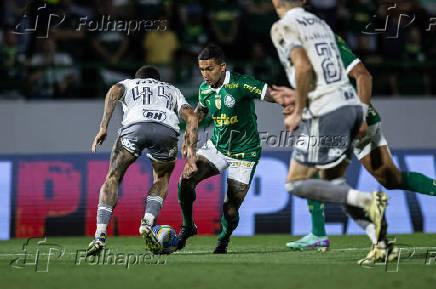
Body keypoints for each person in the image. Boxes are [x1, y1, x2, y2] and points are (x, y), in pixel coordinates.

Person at [272, 34, 436, 262]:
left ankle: (331, 231)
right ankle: (375, 241)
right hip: (350, 119)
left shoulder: (324, 44)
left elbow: (362, 74)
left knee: (312, 178)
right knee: (391, 179)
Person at [270, 0, 390, 264]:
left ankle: (367, 199)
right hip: (350, 105)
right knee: (334, 183)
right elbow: (327, 71)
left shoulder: (283, 26)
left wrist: (299, 108)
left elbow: (303, 66)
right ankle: (380, 243)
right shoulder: (321, 24)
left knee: (295, 182)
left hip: (326, 111)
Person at [177, 44, 283, 254]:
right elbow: (199, 114)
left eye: (210, 69)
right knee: (185, 180)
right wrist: (189, 139)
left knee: (231, 207)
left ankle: (224, 238)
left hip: (245, 152)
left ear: (223, 66)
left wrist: (293, 103)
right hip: (218, 147)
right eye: (202, 69)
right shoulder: (204, 89)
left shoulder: (240, 84)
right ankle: (188, 226)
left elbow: (271, 94)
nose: (205, 74)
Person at [86, 65, 198, 256]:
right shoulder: (172, 90)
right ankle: (147, 221)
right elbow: (192, 117)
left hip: (134, 128)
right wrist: (189, 145)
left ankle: (100, 235)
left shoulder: (129, 84)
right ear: (158, 79)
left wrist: (103, 127)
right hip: (166, 131)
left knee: (113, 177)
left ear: (138, 77)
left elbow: (113, 91)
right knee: (161, 178)